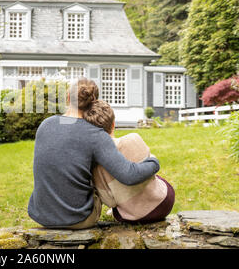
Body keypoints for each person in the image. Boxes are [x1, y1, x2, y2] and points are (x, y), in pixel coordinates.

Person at [27, 78, 160, 229]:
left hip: (41, 215)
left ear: (68, 98)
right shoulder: (95, 135)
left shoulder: (45, 125)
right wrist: (153, 162)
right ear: (94, 101)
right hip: (79, 218)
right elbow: (129, 175)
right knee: (103, 168)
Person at [83, 99, 175, 224]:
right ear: (113, 124)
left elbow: (110, 202)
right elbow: (150, 164)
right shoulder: (134, 138)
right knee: (157, 178)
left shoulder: (96, 165)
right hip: (164, 203)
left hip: (132, 216)